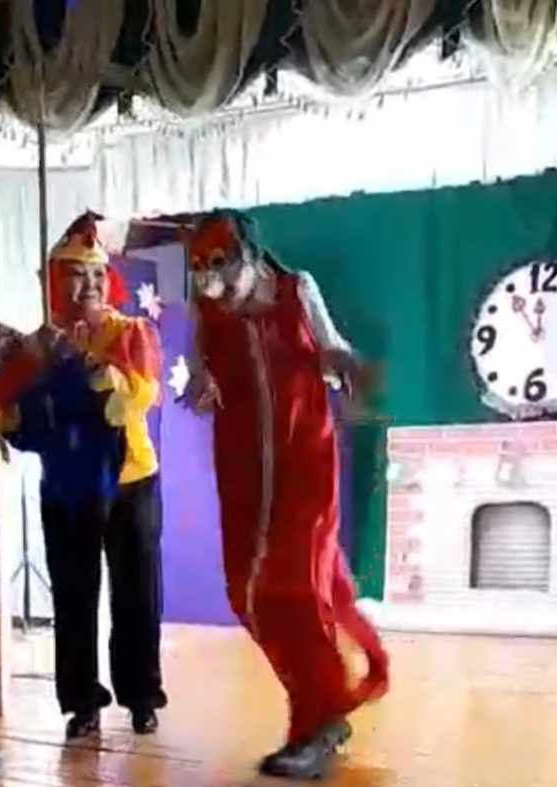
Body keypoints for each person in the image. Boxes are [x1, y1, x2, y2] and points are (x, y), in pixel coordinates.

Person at [181, 212, 390, 780]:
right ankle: (324, 706)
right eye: (200, 269)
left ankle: (314, 725)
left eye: (221, 263)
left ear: (249, 256)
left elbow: (333, 348)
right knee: (248, 595)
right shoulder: (208, 313)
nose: (213, 281)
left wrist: (340, 362)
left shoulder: (298, 292)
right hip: (244, 473)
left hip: (305, 468)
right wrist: (201, 382)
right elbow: (200, 373)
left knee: (296, 590)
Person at [0, 211, 166, 740]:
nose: (90, 285)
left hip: (131, 480)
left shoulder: (129, 332)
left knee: (137, 592)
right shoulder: (34, 347)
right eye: (77, 275)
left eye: (98, 274)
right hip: (66, 484)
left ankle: (141, 696)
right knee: (74, 594)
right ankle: (82, 702)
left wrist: (93, 370)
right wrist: (14, 404)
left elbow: (139, 396)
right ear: (54, 282)